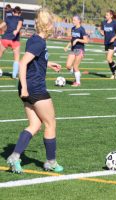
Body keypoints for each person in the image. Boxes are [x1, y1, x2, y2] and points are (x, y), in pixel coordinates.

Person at [7, 8, 64, 173]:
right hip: (34, 88)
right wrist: (24, 86)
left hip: (28, 87)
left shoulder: (34, 39)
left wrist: (48, 62)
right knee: (50, 123)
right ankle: (51, 162)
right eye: (52, 22)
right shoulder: (39, 41)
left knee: (34, 125)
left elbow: (34, 60)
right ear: (48, 25)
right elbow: (23, 63)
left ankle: (15, 157)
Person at [64, 15, 89, 87]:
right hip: (73, 49)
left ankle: (78, 82)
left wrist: (78, 40)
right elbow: (72, 39)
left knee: (75, 66)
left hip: (80, 49)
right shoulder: (73, 29)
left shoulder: (82, 29)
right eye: (73, 20)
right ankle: (78, 74)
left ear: (79, 21)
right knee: (68, 66)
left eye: (74, 20)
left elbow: (86, 41)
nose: (73, 21)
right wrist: (67, 46)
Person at [0, 6, 23, 79]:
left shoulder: (8, 18)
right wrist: (17, 30)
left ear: (13, 12)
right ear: (20, 13)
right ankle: (14, 75)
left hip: (5, 39)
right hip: (15, 40)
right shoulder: (20, 18)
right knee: (16, 58)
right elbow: (19, 24)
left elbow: (1, 26)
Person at [100, 10, 116, 79]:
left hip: (112, 43)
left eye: (107, 15)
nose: (106, 16)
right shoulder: (104, 22)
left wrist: (113, 38)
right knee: (108, 59)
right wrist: (101, 32)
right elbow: (102, 31)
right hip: (106, 42)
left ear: (111, 16)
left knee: (109, 58)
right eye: (106, 15)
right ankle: (113, 73)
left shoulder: (114, 23)